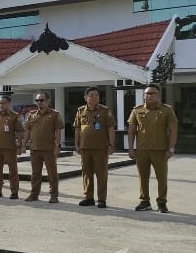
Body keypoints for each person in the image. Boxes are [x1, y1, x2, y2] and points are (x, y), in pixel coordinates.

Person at [127, 84, 178, 213]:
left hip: (160, 150)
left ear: (158, 95)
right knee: (143, 177)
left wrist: (171, 148)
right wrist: (131, 148)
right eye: (147, 93)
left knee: (161, 177)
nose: (149, 96)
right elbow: (132, 131)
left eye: (152, 93)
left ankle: (162, 203)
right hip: (142, 150)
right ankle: (144, 201)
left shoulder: (167, 110)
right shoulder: (137, 110)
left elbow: (173, 130)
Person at [74, 87, 116, 208]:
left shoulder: (105, 110)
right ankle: (89, 197)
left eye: (96, 95)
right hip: (85, 148)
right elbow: (77, 128)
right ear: (85, 97)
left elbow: (110, 129)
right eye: (91, 95)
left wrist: (111, 145)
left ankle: (101, 199)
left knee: (101, 173)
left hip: (100, 147)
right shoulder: (81, 110)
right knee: (86, 173)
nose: (94, 97)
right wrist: (77, 144)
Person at [21, 91, 64, 203]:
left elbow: (58, 131)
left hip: (49, 149)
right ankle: (34, 194)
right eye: (37, 100)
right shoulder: (31, 115)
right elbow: (27, 131)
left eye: (42, 100)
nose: (39, 102)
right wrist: (23, 144)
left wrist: (57, 145)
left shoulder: (54, 114)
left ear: (47, 101)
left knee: (52, 173)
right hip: (35, 149)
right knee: (35, 173)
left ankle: (54, 195)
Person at [0, 96, 24, 199]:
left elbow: (20, 132)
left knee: (12, 170)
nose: (1, 105)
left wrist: (19, 146)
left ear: (9, 104)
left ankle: (14, 192)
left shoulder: (14, 116)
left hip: (10, 147)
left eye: (3, 103)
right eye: (0, 103)